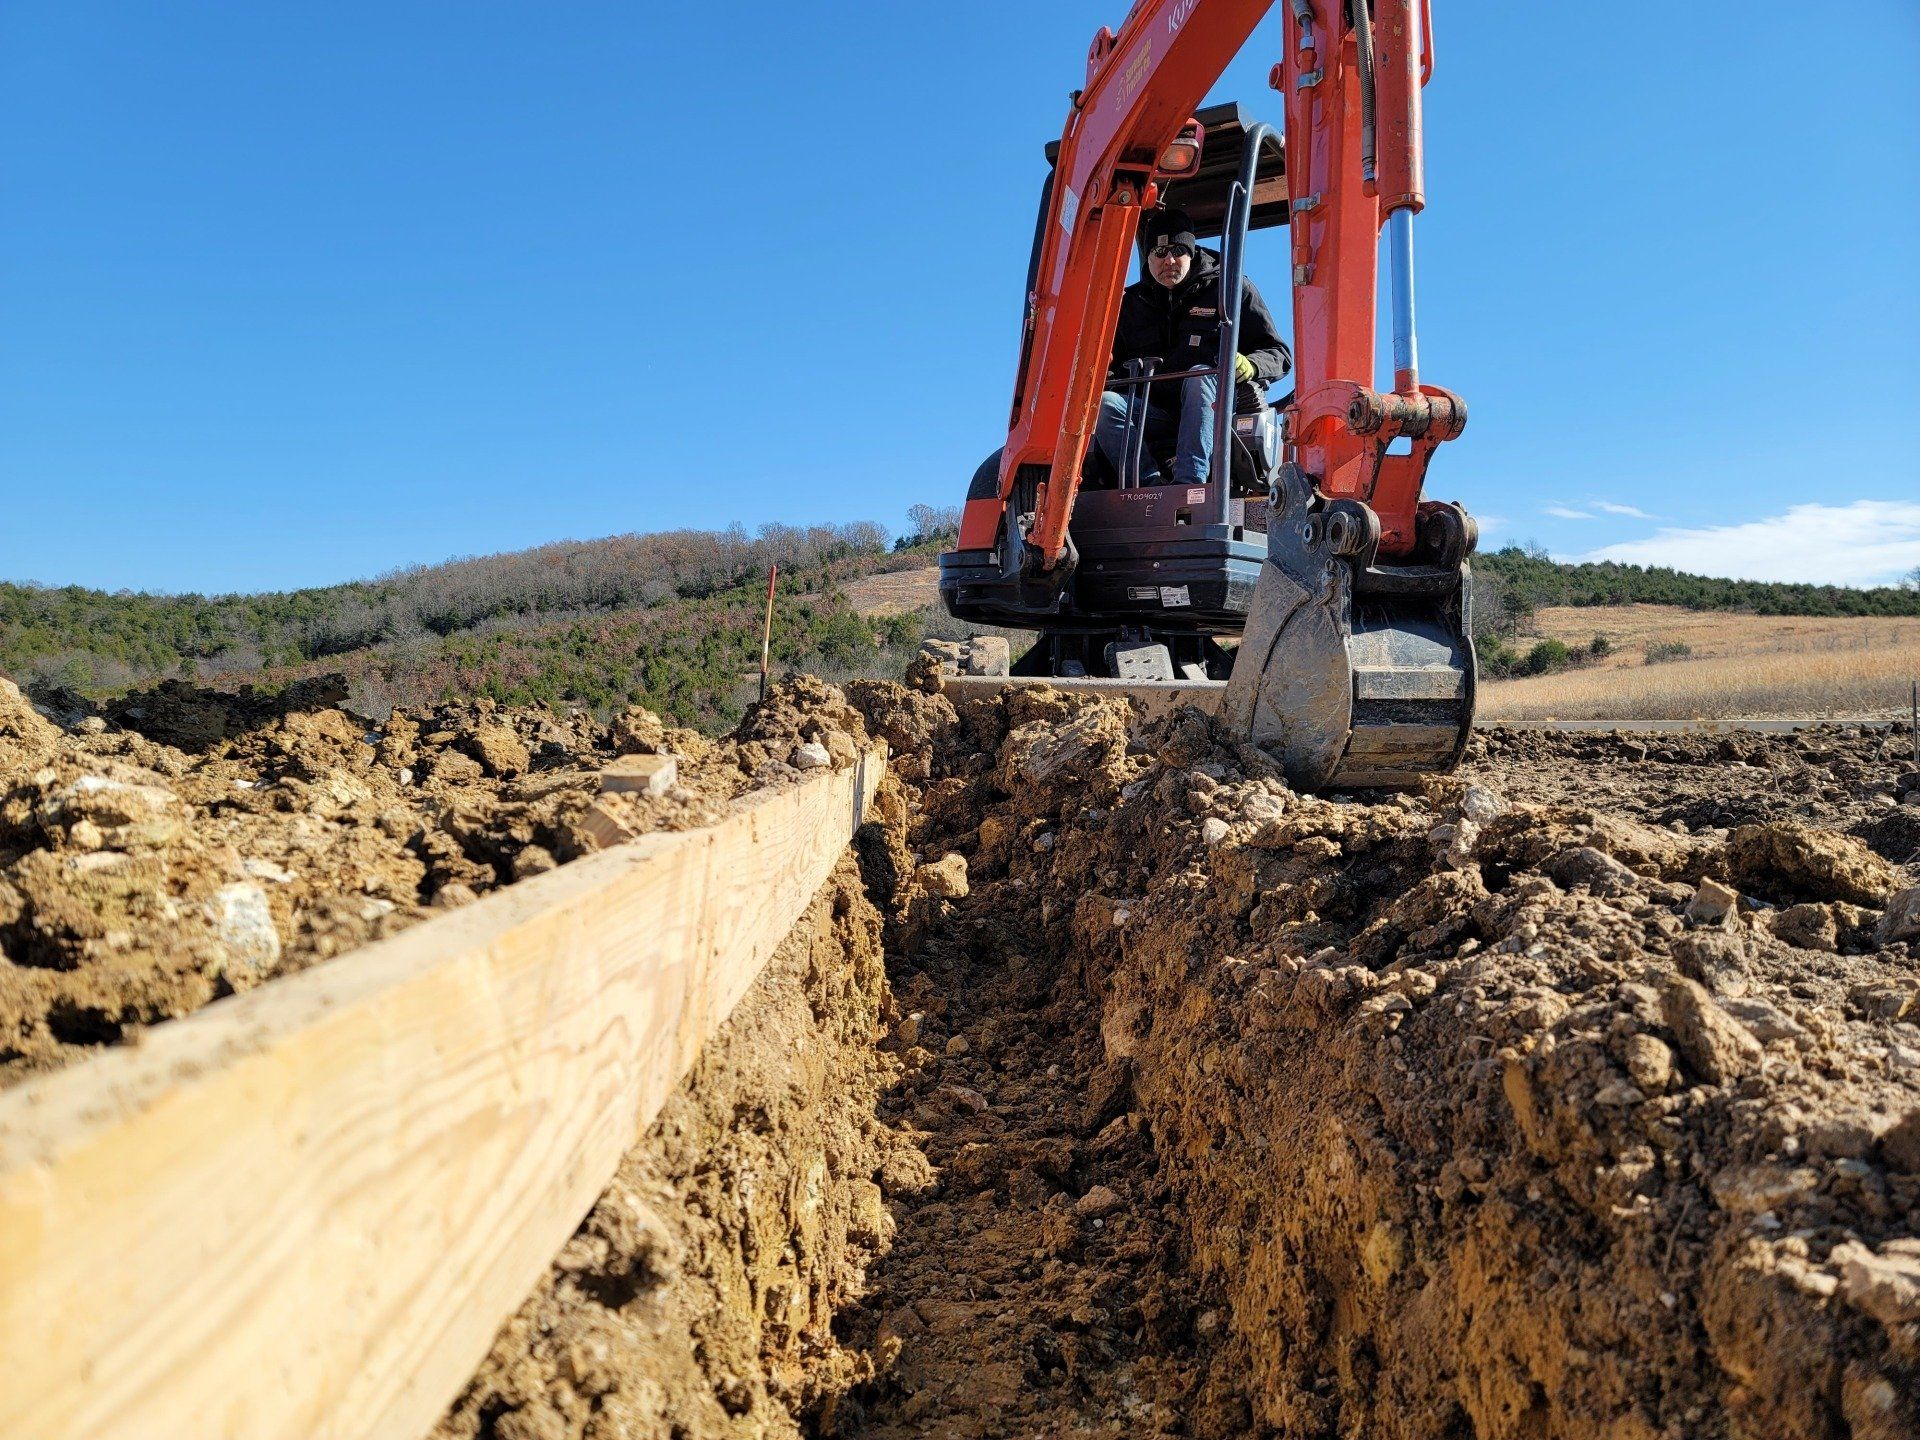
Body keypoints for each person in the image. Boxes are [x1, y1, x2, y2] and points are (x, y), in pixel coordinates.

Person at [1092, 209, 1291, 487]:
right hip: (1154, 416)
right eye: (1160, 252)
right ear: (1148, 257)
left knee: (1199, 375)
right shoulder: (1129, 305)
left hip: (1215, 413)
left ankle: (1189, 485)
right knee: (1105, 404)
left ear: (1192, 251)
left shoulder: (1230, 288)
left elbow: (1279, 355)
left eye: (1178, 250)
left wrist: (1252, 365)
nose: (1169, 260)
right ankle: (1150, 487)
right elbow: (1111, 371)